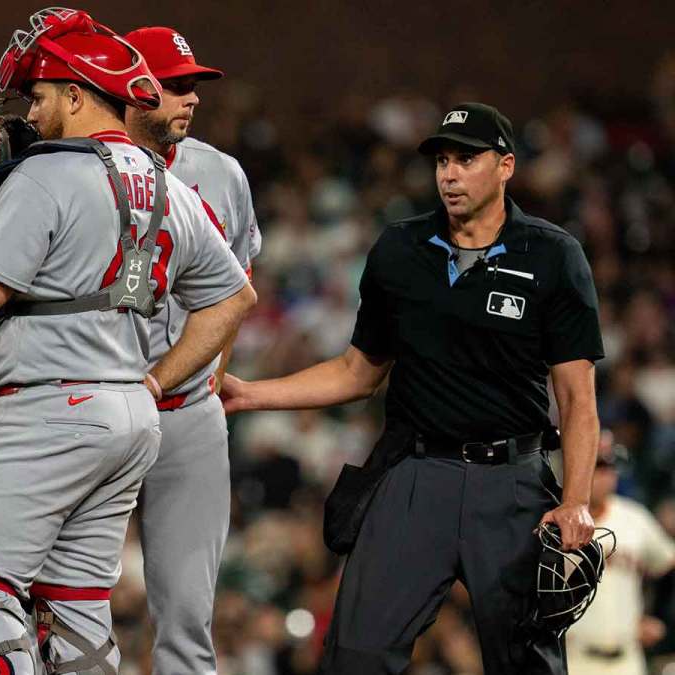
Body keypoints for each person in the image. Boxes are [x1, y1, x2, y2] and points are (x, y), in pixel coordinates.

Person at [0, 9, 255, 674]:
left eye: (40, 97)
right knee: (75, 616)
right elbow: (235, 297)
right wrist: (157, 379)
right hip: (129, 412)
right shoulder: (163, 178)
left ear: (76, 94)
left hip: (46, 407)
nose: (31, 114)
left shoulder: (45, 175)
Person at [222, 102, 603, 674]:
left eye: (466, 159)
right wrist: (251, 393)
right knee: (356, 655)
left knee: (526, 662)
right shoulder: (399, 251)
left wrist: (575, 501)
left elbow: (577, 399)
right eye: (442, 160)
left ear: (505, 166)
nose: (449, 173)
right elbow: (358, 371)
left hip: (512, 483)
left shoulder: (553, 254)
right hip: (416, 474)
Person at [122, 26, 261, 674]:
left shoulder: (220, 173)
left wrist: (213, 371)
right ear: (132, 86)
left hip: (187, 413)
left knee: (186, 618)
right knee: (72, 601)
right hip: (101, 404)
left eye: (193, 86)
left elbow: (240, 284)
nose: (191, 98)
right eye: (176, 85)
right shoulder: (78, 166)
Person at [566, 431, 675, 675]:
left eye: (611, 465)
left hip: (627, 660)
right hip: (573, 658)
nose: (607, 474)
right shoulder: (556, 524)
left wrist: (657, 616)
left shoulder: (634, 518)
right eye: (599, 464)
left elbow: (667, 565)